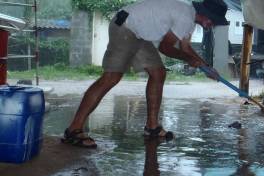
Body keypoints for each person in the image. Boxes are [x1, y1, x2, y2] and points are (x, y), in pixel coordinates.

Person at [62, 0, 229, 148]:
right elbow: (166, 48)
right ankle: (73, 130)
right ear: (205, 15)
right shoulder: (185, 17)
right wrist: (189, 59)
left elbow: (186, 49)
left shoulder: (190, 20)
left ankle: (152, 127)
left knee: (158, 73)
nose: (212, 25)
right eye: (213, 21)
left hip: (138, 33)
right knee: (111, 77)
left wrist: (207, 67)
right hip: (125, 26)